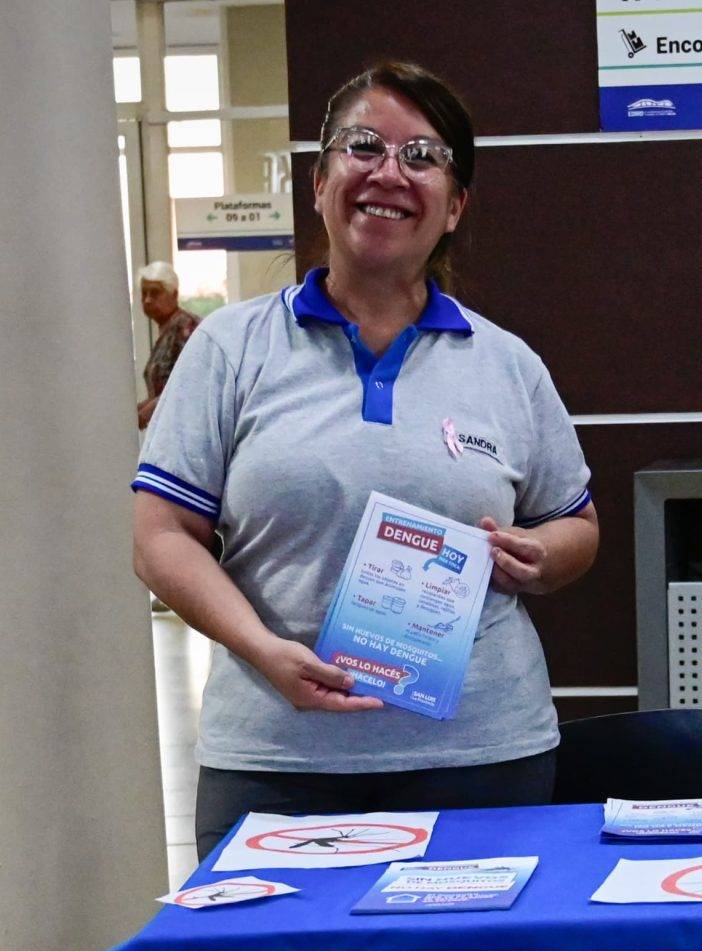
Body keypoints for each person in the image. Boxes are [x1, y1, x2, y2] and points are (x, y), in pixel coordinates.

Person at [132, 60, 598, 852]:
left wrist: (538, 556)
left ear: (455, 207)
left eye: (423, 156)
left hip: (482, 758)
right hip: (277, 759)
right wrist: (261, 648)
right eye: (364, 146)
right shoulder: (230, 348)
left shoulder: (506, 362)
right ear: (319, 181)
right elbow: (160, 535)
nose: (390, 171)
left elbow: (575, 525)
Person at [136, 262, 199, 430]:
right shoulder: (167, 331)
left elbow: (188, 385)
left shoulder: (187, 327)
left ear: (174, 294)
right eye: (144, 293)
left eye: (155, 293)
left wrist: (144, 414)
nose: (147, 300)